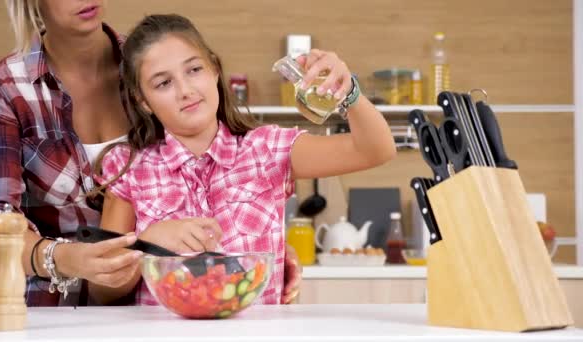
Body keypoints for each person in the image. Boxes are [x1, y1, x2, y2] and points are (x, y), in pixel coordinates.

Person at [0, 0, 303, 307]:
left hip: (159, 312)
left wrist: (256, 242)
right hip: (54, 310)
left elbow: (212, 161)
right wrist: (66, 258)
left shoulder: (154, 60)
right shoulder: (3, 89)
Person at [89, 14, 396, 305]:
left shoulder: (267, 150)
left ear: (214, 69)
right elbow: (102, 292)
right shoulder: (130, 168)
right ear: (143, 101)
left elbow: (376, 150)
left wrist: (348, 92)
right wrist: (145, 243)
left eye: (194, 69)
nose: (185, 90)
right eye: (163, 83)